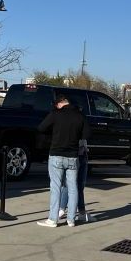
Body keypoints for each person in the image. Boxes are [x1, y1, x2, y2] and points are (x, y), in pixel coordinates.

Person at [36, 94, 90, 227]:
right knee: (73, 188)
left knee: (56, 187)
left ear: (61, 103)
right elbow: (88, 134)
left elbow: (41, 128)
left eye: (56, 105)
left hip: (56, 155)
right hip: (73, 156)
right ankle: (71, 219)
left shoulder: (56, 114)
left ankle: (53, 219)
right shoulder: (79, 116)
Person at [59, 138, 90, 223]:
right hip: (74, 153)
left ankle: (64, 210)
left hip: (78, 152)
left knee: (72, 184)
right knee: (74, 185)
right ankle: (78, 212)